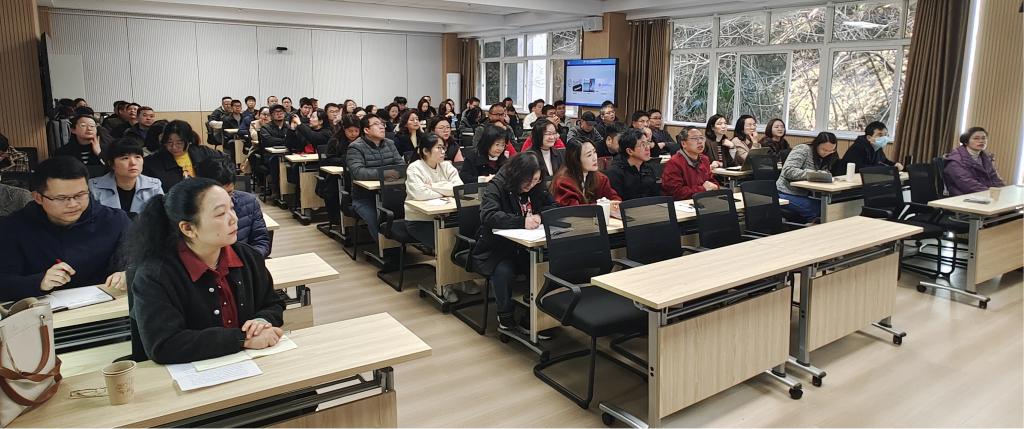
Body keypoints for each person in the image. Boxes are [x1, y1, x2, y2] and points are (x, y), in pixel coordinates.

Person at [128, 177, 284, 364]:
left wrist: (261, 321)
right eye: (220, 214)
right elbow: (164, 345)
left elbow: (273, 303)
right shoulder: (155, 275)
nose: (234, 219)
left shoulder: (247, 256)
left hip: (251, 363)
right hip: (193, 373)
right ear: (188, 228)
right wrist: (241, 339)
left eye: (232, 208)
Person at [0, 157, 130, 302]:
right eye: (62, 198)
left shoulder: (114, 221)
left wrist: (128, 275)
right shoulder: (13, 227)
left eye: (80, 195)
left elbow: (139, 263)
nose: (73, 204)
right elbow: (4, 282)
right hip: (41, 310)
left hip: (106, 307)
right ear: (38, 197)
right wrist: (39, 282)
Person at [474, 152, 555, 334]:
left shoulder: (537, 185)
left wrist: (540, 216)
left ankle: (534, 315)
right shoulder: (497, 185)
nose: (531, 185)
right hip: (497, 248)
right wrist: (521, 221)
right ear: (517, 175)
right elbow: (488, 215)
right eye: (528, 182)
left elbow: (553, 206)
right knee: (504, 270)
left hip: (528, 247)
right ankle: (505, 315)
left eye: (536, 181)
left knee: (544, 267)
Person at [195, 157, 272, 257]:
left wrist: (249, 260)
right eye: (218, 195)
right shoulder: (193, 211)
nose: (225, 199)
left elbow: (261, 241)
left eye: (229, 193)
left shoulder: (249, 202)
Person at [346, 115, 405, 242]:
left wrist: (393, 173)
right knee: (375, 219)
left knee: (409, 211)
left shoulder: (390, 143)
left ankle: (401, 243)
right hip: (365, 197)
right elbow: (358, 172)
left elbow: (400, 167)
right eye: (376, 124)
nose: (382, 127)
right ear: (366, 130)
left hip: (391, 193)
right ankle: (385, 248)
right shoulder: (355, 147)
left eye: (382, 124)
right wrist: (385, 174)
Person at [404, 133, 463, 258]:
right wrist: (446, 189)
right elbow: (420, 194)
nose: (443, 151)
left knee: (462, 243)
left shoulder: (447, 165)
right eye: (439, 148)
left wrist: (433, 186)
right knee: (448, 248)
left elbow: (459, 189)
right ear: (425, 151)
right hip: (420, 220)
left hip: (448, 218)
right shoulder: (414, 168)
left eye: (443, 148)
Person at [89, 138, 163, 216]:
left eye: (137, 157)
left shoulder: (154, 186)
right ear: (111, 164)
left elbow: (161, 218)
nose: (133, 163)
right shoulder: (94, 187)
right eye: (125, 158)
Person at [144, 120, 223, 192]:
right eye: (169, 142)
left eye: (179, 143)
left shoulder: (203, 152)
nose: (174, 147)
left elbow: (225, 160)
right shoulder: (152, 162)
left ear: (189, 141)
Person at [777, 132, 839, 222]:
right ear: (816, 145)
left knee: (830, 206)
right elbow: (788, 170)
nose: (827, 153)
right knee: (821, 209)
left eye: (831, 150)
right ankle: (811, 227)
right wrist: (814, 174)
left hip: (804, 194)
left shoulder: (826, 157)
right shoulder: (803, 149)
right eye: (824, 149)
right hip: (785, 192)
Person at [550, 139, 621, 208]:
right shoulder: (564, 182)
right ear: (576, 159)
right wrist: (604, 206)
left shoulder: (600, 178)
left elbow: (614, 198)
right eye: (589, 155)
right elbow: (574, 210)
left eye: (594, 152)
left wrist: (614, 204)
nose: (595, 158)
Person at [943, 127, 1005, 196]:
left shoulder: (986, 158)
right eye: (976, 138)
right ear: (966, 142)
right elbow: (967, 184)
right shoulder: (955, 160)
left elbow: (995, 178)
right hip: (963, 197)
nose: (981, 141)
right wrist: (989, 193)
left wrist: (1004, 191)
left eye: (984, 138)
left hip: (983, 195)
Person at [662, 127, 719, 200]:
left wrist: (715, 186)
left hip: (703, 200)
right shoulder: (674, 162)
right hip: (681, 203)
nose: (700, 142)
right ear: (683, 143)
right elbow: (676, 192)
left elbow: (711, 181)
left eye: (701, 138)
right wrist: (703, 189)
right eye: (695, 139)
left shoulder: (705, 159)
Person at [606, 128, 660, 201]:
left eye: (647, 143)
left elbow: (656, 196)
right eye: (642, 145)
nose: (647, 148)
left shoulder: (648, 168)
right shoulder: (615, 173)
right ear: (630, 151)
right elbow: (616, 201)